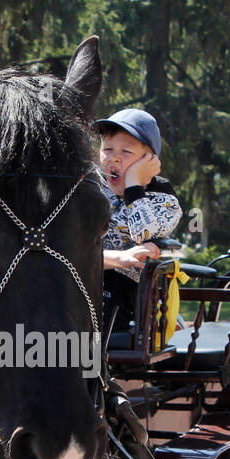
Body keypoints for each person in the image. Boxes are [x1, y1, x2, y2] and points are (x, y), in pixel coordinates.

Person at [93, 108, 182, 330]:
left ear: (150, 159)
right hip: (84, 274)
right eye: (107, 149)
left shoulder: (162, 196)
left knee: (116, 288)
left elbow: (143, 233)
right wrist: (117, 257)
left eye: (126, 151)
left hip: (127, 291)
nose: (114, 157)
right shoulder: (91, 189)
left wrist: (133, 184)